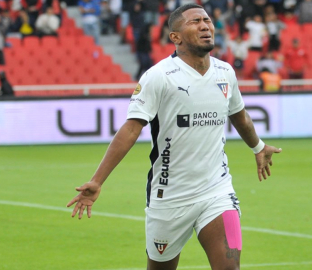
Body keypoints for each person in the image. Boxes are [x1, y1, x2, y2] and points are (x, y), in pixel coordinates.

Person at [66, 3, 282, 270]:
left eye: (206, 20)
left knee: (229, 268)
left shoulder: (225, 72)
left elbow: (240, 116)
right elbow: (131, 129)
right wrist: (97, 180)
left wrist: (258, 146)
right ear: (175, 37)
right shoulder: (159, 77)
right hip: (169, 198)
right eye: (194, 22)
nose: (205, 25)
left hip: (217, 191)